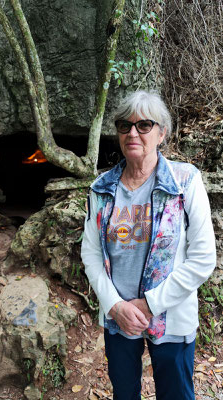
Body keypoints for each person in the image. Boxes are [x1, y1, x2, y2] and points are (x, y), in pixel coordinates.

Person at [81, 90, 216, 400]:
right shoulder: (100, 189)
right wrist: (115, 306)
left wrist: (149, 304)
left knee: (175, 394)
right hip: (120, 318)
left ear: (161, 132)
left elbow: (203, 257)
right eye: (124, 125)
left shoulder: (185, 182)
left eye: (144, 125)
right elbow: (90, 253)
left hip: (171, 314)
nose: (132, 133)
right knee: (125, 393)